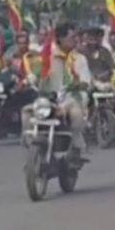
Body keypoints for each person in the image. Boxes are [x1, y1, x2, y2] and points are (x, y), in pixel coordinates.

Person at [30, 22, 92, 168]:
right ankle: (31, 149)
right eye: (71, 37)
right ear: (60, 39)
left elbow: (86, 81)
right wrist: (31, 79)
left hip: (72, 97)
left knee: (76, 114)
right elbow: (38, 72)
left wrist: (79, 84)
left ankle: (77, 149)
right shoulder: (49, 56)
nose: (75, 40)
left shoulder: (79, 59)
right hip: (50, 99)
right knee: (27, 113)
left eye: (75, 37)